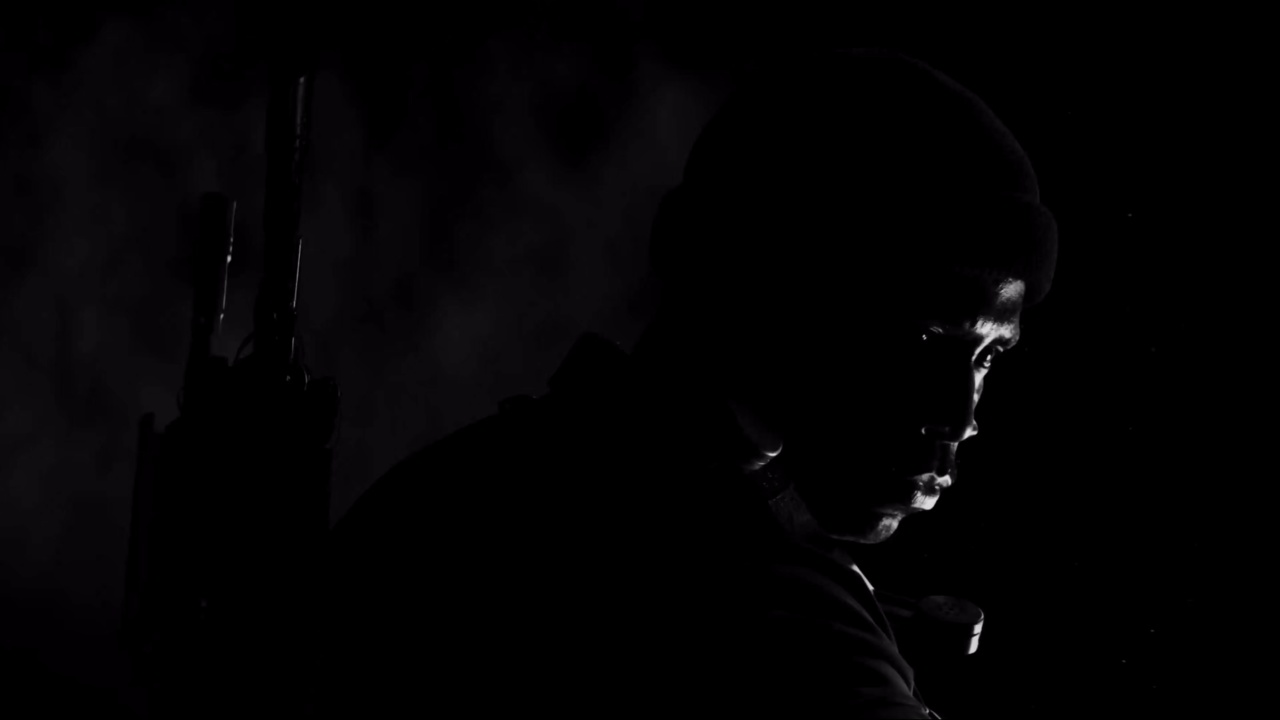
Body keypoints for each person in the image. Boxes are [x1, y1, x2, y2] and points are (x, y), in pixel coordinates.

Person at [321, 48, 1057, 719]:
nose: (959, 416)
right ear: (763, 282)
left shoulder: (442, 490)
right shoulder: (756, 603)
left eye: (988, 357)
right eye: (924, 339)